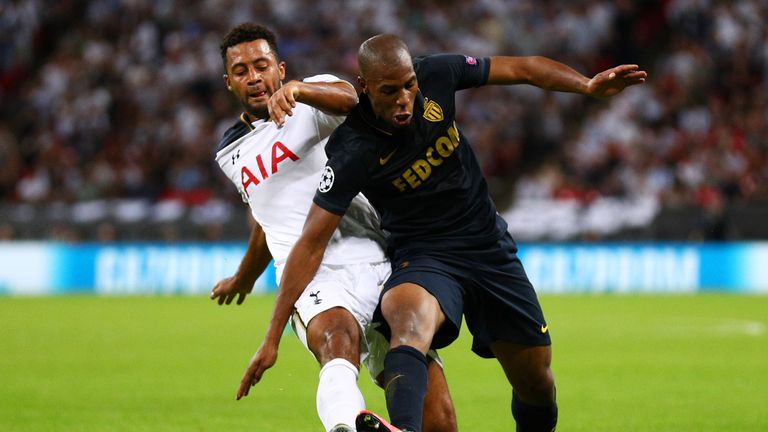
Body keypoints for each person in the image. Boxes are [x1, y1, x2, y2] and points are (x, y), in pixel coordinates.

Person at [247, 34, 648, 432]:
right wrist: (273, 336)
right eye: (390, 91)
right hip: (424, 255)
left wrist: (586, 85)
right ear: (364, 88)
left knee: (536, 383)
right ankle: (403, 430)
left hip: (488, 247)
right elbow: (311, 242)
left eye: (409, 85)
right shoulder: (352, 150)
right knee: (407, 325)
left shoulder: (436, 73)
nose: (404, 98)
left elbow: (522, 68)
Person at [209, 24, 457, 432]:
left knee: (440, 417)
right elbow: (267, 217)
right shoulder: (229, 153)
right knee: (336, 341)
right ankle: (347, 426)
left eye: (262, 65)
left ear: (280, 68)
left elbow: (352, 99)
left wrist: (301, 91)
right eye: (241, 71)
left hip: (376, 257)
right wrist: (243, 277)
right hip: (311, 275)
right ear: (228, 82)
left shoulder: (312, 97)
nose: (254, 77)